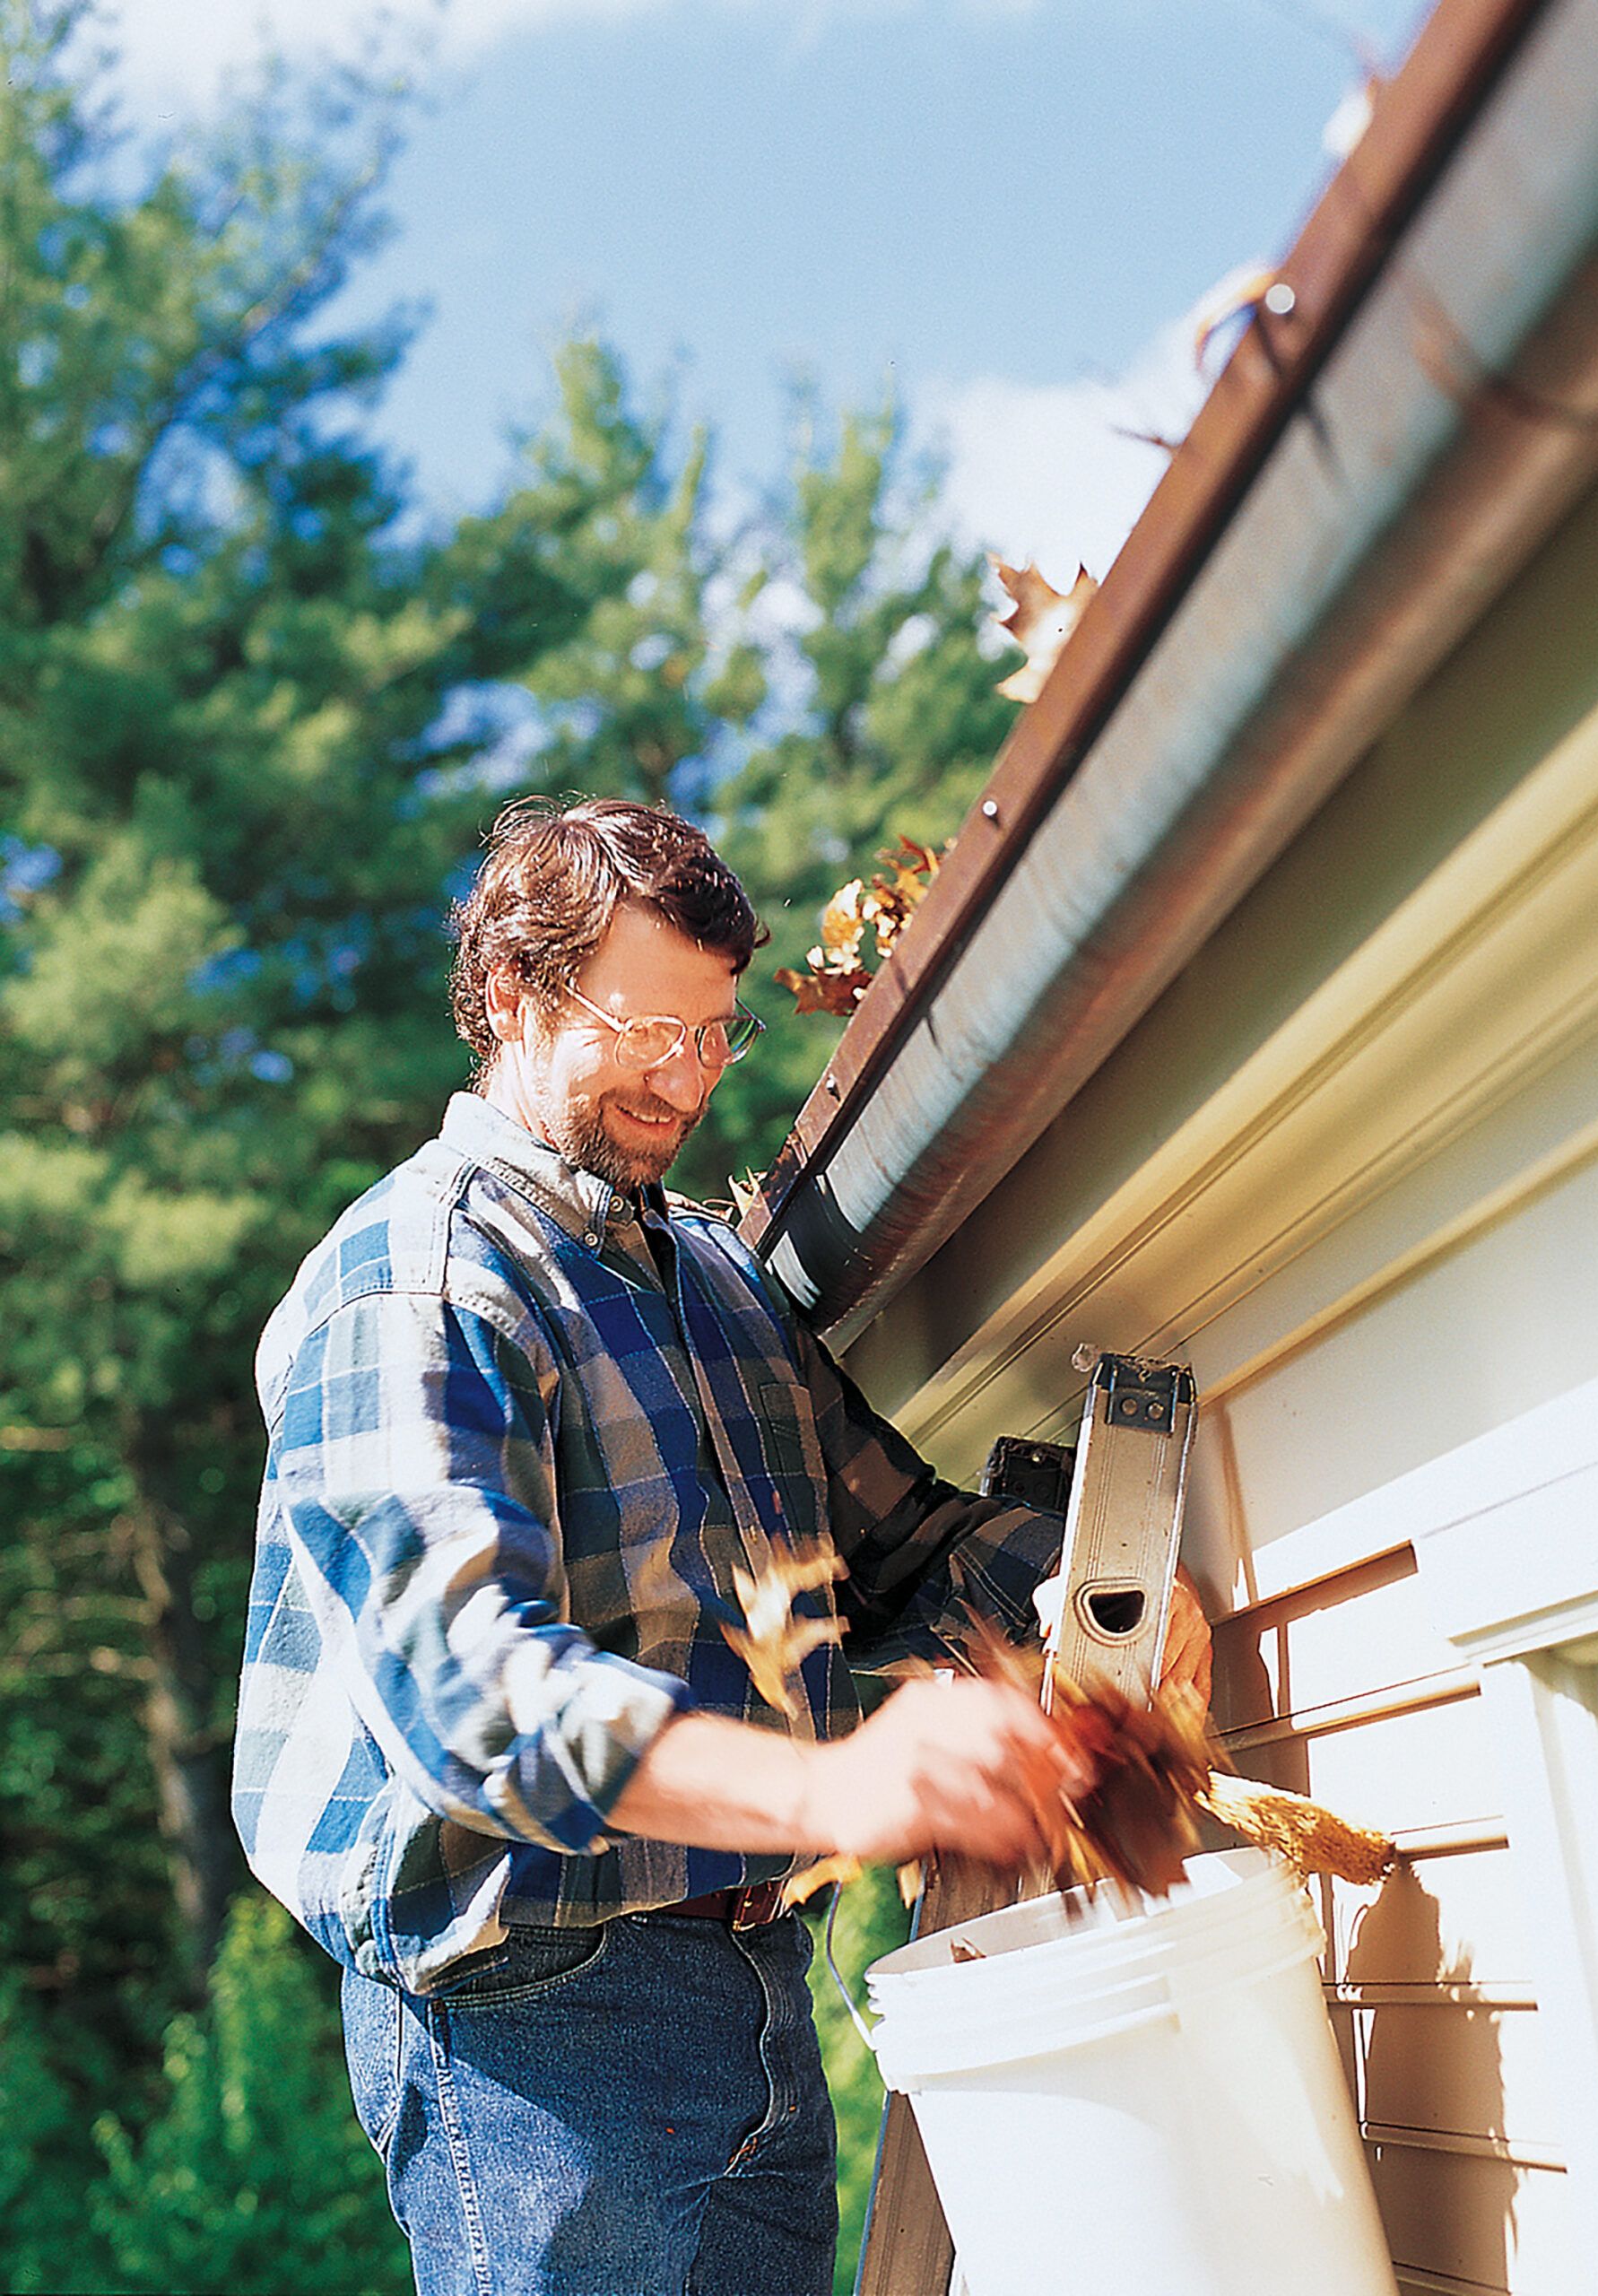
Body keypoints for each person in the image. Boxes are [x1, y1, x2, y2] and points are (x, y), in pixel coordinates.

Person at [232, 796, 1212, 2296]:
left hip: (751, 1977)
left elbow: (911, 1543)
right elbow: (470, 1695)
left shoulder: (713, 1280)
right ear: (510, 995)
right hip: (535, 2027)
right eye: (647, 1027)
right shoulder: (420, 1280)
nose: (686, 1079)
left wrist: (1110, 1598)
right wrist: (828, 1782)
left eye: (717, 1034)